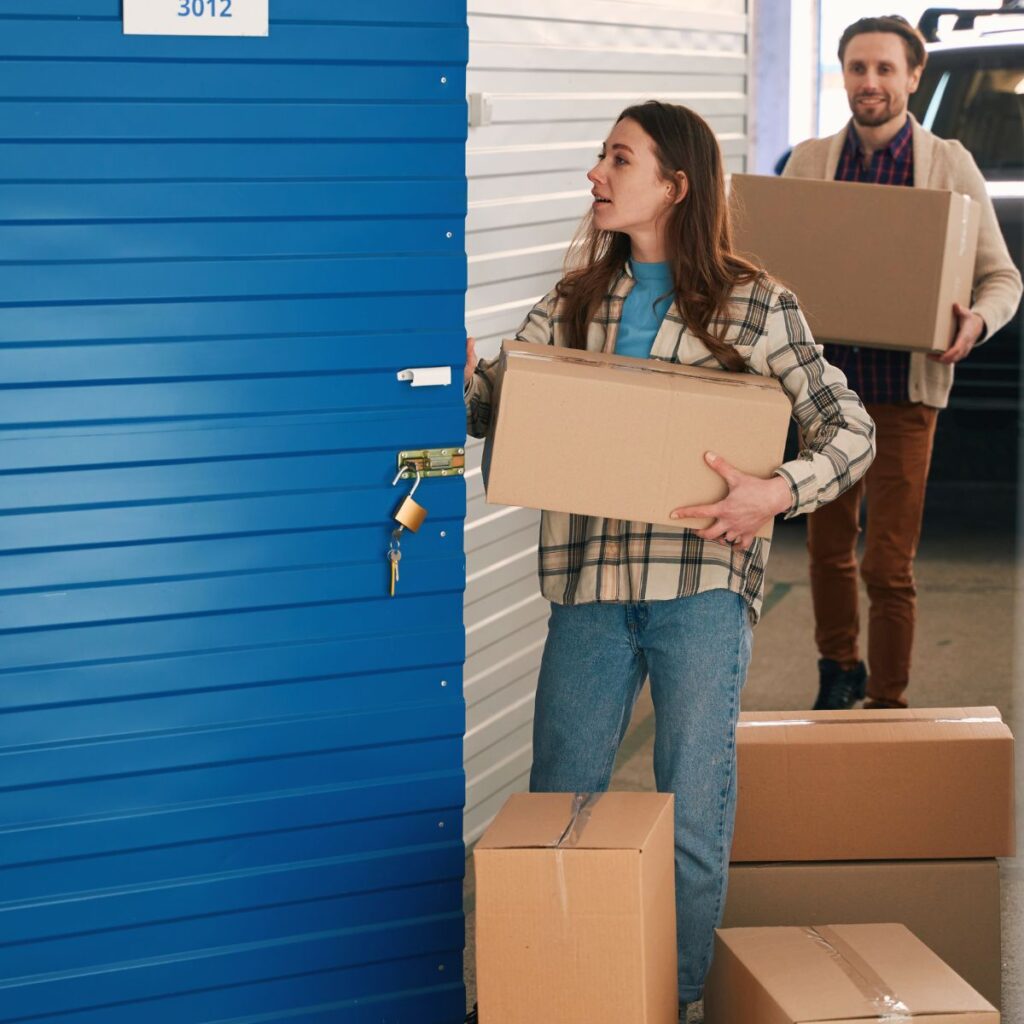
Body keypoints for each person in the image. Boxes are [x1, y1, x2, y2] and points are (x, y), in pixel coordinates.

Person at [462, 100, 875, 1018]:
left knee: (690, 815)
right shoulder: (573, 302)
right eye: (602, 157)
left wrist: (775, 492)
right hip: (589, 590)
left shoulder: (759, 305)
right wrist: (460, 377)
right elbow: (497, 405)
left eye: (618, 159)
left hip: (699, 591)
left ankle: (676, 999)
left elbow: (851, 431)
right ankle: (558, 992)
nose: (595, 175)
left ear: (675, 185)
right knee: (558, 807)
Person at [782, 16, 1022, 712]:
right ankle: (840, 670)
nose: (871, 83)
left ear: (913, 78)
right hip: (826, 398)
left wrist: (977, 321)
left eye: (886, 70)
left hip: (904, 396)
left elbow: (1003, 277)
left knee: (887, 563)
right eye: (858, 68)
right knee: (826, 551)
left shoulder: (949, 166)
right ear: (843, 75)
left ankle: (888, 701)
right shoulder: (810, 163)